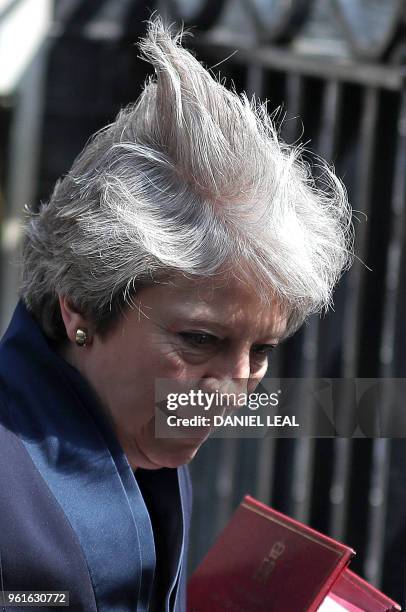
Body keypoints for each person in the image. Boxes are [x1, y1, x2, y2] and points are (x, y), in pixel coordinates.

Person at [0, 17, 353, 612]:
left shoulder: (134, 429)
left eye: (261, 351)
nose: (234, 391)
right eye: (200, 340)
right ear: (82, 306)